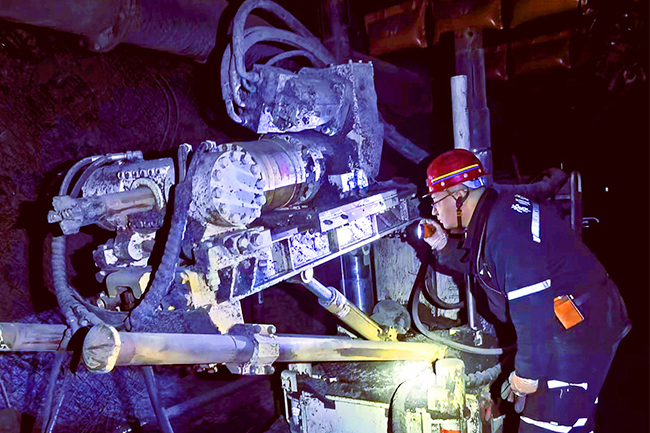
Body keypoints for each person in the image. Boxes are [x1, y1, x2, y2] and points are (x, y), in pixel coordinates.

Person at [419, 149, 631, 432]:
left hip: (577, 328)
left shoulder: (506, 230)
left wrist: (527, 375)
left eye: (435, 200)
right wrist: (442, 244)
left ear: (458, 195)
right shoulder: (495, 213)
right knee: (574, 422)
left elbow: (531, 310)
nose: (434, 210)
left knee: (546, 424)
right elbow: (485, 264)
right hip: (582, 317)